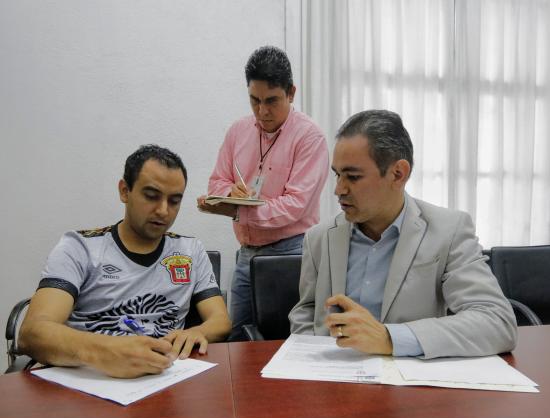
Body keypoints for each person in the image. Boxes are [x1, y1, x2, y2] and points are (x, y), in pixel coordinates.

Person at [289, 110, 517, 358]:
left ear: (398, 174)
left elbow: (497, 321)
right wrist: (310, 360)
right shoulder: (319, 238)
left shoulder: (448, 231)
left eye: (353, 177)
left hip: (410, 374)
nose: (339, 189)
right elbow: (307, 312)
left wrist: (389, 339)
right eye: (337, 174)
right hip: (334, 373)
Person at [19, 145, 231, 378]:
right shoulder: (80, 248)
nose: (163, 210)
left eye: (174, 201)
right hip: (89, 377)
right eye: (151, 196)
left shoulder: (190, 251)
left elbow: (220, 320)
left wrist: (198, 332)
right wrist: (105, 352)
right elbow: (32, 333)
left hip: (164, 376)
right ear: (124, 191)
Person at [197, 46, 329, 341]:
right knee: (236, 339)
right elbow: (217, 182)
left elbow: (295, 205)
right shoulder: (237, 131)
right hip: (246, 253)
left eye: (271, 101)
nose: (262, 111)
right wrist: (229, 193)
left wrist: (239, 209)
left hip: (292, 254)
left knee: (285, 341)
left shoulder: (310, 137)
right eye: (254, 100)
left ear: (291, 93)